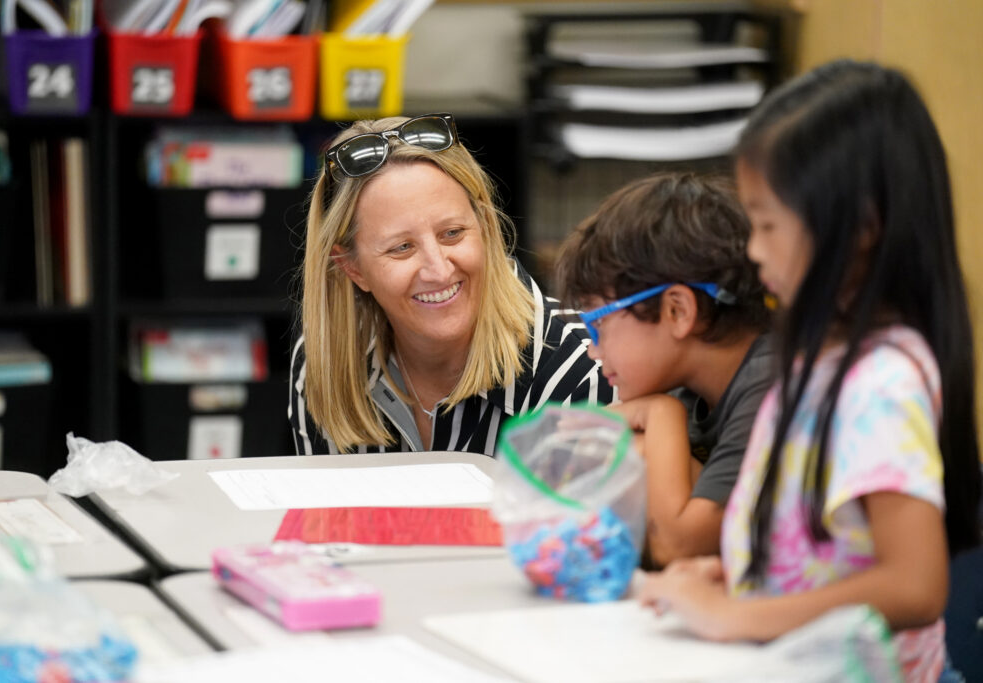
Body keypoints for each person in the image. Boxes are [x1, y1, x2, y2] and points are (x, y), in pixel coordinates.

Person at [637, 60, 982, 682]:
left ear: (861, 230)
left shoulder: (881, 383)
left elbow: (915, 586)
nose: (754, 248)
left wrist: (736, 617)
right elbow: (827, 545)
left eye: (767, 224)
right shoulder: (816, 359)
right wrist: (739, 579)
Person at [290, 113, 613, 455]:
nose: (439, 270)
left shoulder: (583, 367)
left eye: (452, 234)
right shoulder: (324, 363)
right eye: (402, 247)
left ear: (486, 227)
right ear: (352, 268)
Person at [554, 173, 772, 568]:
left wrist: (658, 414)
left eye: (598, 323)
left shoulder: (772, 387)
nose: (592, 349)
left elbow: (679, 546)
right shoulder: (691, 386)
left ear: (678, 311)